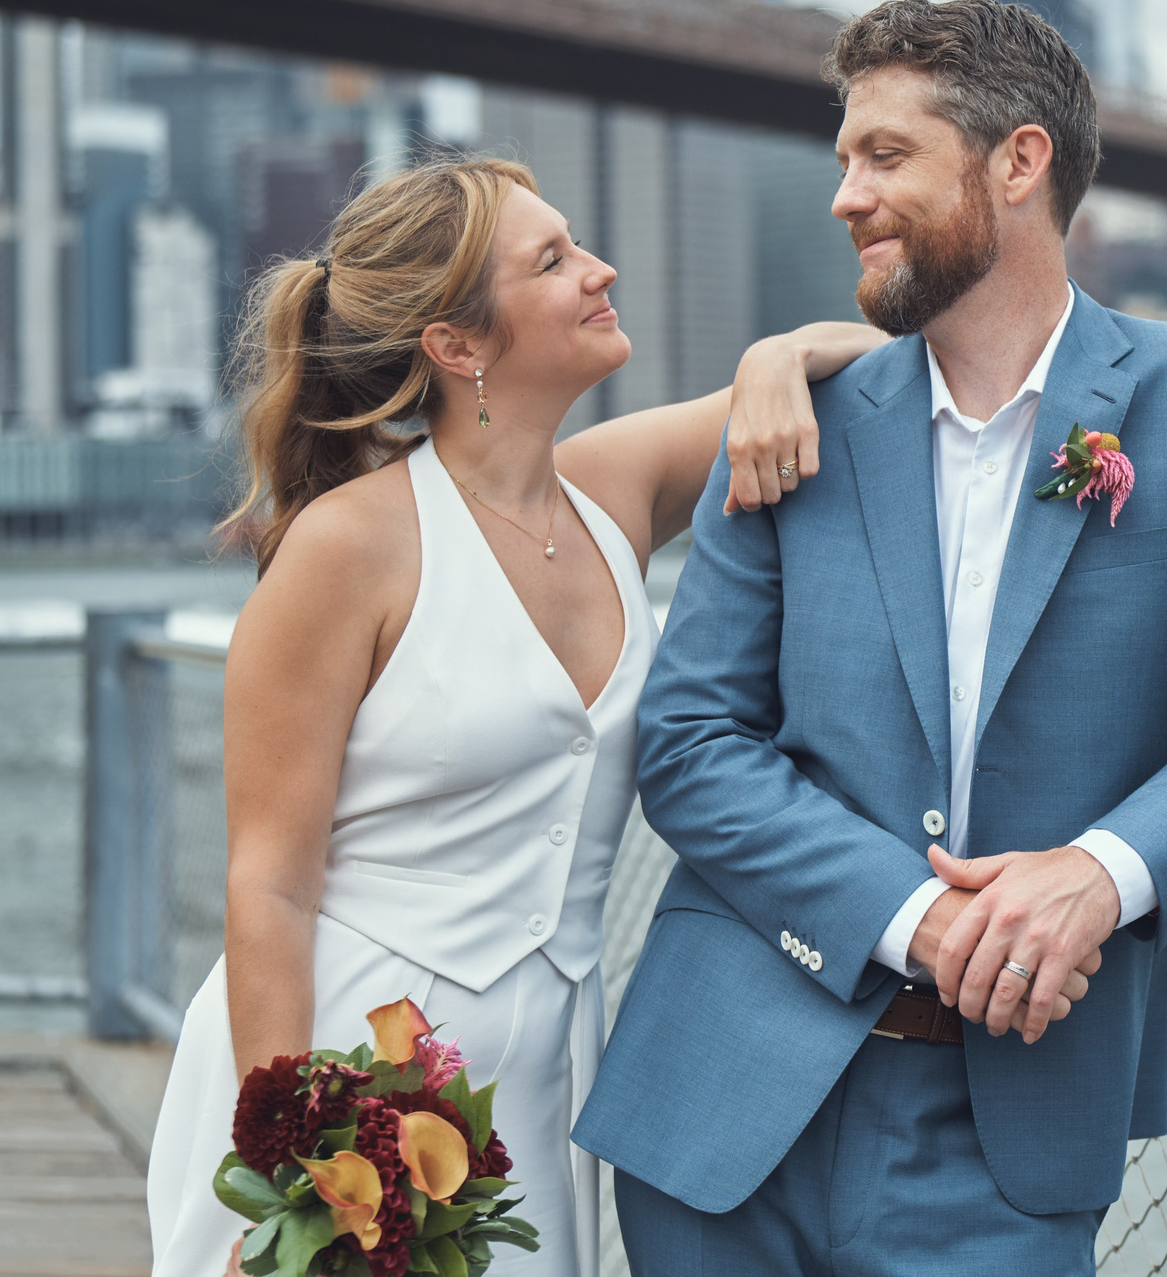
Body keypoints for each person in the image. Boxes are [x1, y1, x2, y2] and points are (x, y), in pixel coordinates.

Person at [578, 0, 1167, 1276]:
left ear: (1017, 162)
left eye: (884, 156)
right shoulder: (795, 415)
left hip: (1011, 1139)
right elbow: (688, 742)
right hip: (723, 1108)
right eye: (843, 159)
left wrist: (1103, 874)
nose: (844, 195)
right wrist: (916, 920)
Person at [142, 156, 884, 1277]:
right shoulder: (346, 547)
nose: (601, 270)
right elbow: (269, 884)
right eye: (554, 261)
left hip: (542, 1082)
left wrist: (775, 357)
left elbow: (880, 364)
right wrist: (300, 1164)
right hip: (349, 1066)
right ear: (459, 346)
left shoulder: (614, 491)